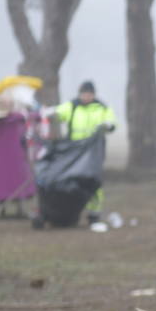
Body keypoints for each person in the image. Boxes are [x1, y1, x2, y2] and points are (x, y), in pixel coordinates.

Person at [52, 81, 117, 225]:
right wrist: (50, 112)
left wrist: (108, 125)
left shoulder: (101, 107)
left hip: (94, 152)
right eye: (84, 94)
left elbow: (111, 123)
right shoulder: (72, 106)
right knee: (73, 181)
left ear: (93, 94)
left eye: (89, 94)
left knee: (93, 182)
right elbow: (58, 113)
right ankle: (71, 212)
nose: (86, 97)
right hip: (75, 152)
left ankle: (94, 213)